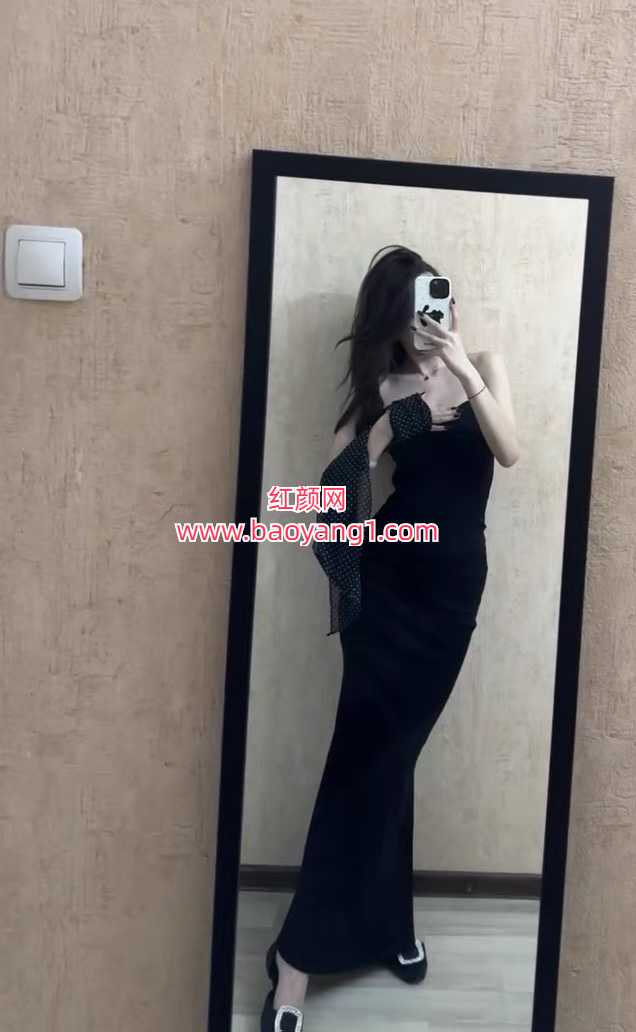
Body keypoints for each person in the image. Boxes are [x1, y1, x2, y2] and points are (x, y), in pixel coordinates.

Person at [260, 245, 520, 1032]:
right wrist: (387, 431)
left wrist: (462, 371)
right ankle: (296, 961)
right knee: (361, 765)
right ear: (391, 322)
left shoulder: (484, 365)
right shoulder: (380, 390)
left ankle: (390, 925)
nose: (428, 320)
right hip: (384, 597)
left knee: (393, 758)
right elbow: (327, 498)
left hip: (451, 598)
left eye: (435, 299)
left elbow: (511, 449)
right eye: (410, 312)